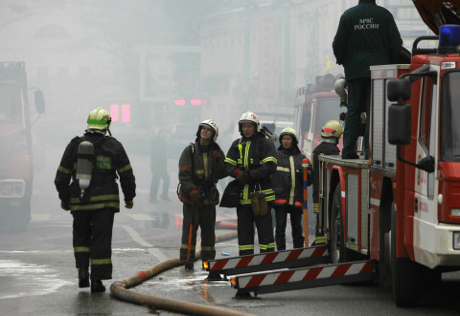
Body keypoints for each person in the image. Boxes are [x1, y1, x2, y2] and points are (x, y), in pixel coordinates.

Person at [54, 107, 136, 293]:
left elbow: (61, 176)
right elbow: (126, 174)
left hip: (80, 201)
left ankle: (82, 272)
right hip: (105, 203)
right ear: (107, 124)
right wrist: (129, 196)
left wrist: (66, 199)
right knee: (100, 239)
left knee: (81, 236)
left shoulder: (75, 145)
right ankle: (97, 281)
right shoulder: (114, 146)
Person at [332, 0, 403, 159]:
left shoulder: (348, 16)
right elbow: (396, 43)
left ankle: (348, 150)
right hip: (379, 72)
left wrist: (345, 61)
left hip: (355, 71)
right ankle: (369, 151)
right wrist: (387, 62)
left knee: (353, 109)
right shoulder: (384, 15)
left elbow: (338, 44)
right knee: (374, 111)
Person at [224, 111, 277, 256]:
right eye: (244, 126)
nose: (246, 129)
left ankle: (267, 260)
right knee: (244, 232)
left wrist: (249, 176)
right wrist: (237, 174)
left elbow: (271, 166)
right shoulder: (237, 144)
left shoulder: (264, 143)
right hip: (243, 198)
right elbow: (227, 165)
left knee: (265, 231)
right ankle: (245, 260)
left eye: (249, 126)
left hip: (262, 197)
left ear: (256, 127)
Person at [178, 119, 226, 271]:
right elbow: (184, 175)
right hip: (192, 199)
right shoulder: (189, 151)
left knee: (208, 232)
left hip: (208, 199)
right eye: (203, 129)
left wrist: (219, 161)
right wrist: (192, 190)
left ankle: (208, 262)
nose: (205, 131)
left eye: (208, 130)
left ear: (213, 134)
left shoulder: (217, 153)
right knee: (189, 231)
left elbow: (221, 173)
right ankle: (187, 261)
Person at [271, 128, 310, 250]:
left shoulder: (302, 158)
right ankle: (281, 252)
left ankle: (297, 252)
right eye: (284, 139)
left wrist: (306, 174)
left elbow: (310, 179)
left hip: (296, 199)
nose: (285, 141)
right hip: (280, 198)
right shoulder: (275, 157)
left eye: (288, 139)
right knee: (280, 227)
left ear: (293, 141)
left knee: (297, 227)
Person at [310, 120, 344, 245]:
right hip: (328, 191)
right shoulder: (334, 151)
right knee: (328, 218)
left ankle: (318, 242)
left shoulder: (316, 150)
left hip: (317, 191)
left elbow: (313, 171)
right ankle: (324, 244)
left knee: (320, 218)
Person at [149, 128, 170, 202]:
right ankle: (153, 197)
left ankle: (162, 195)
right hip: (157, 166)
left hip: (160, 166)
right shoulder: (157, 141)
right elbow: (158, 154)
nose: (165, 135)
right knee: (156, 181)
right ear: (160, 133)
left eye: (166, 134)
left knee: (164, 179)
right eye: (164, 133)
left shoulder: (160, 141)